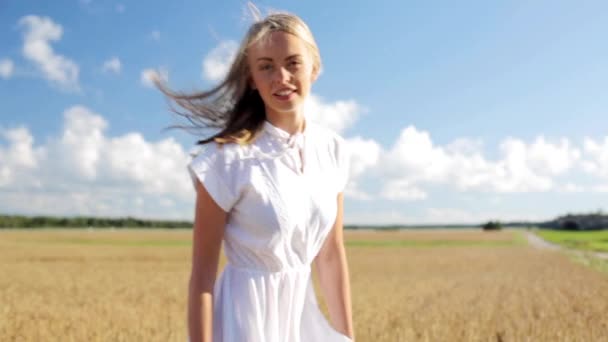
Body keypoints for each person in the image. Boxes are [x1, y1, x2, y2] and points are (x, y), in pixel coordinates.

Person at [158, 7, 354, 342]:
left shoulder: (333, 150)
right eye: (266, 67)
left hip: (302, 319)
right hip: (243, 321)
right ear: (251, 78)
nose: (281, 77)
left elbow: (331, 254)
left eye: (293, 63)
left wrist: (348, 337)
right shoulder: (225, 160)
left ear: (314, 68)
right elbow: (203, 276)